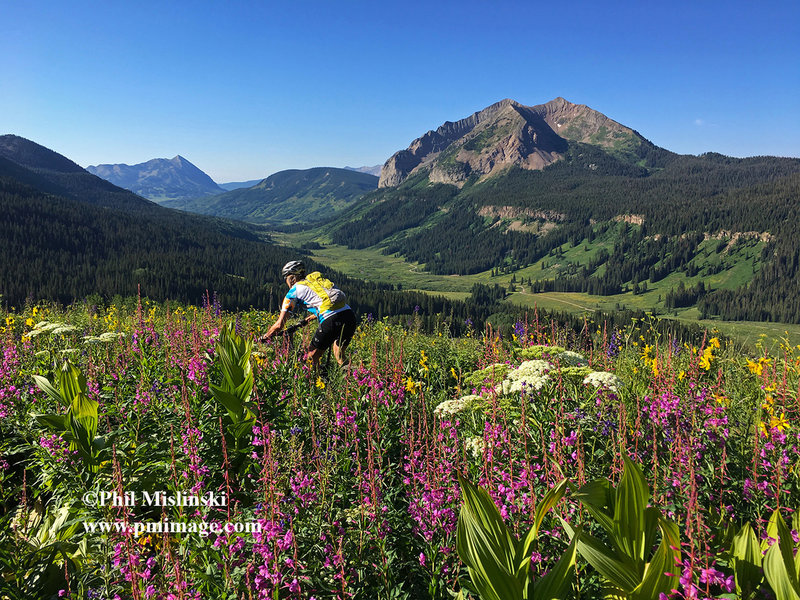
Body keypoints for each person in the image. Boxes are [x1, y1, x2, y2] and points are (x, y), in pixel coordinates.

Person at [262, 260, 357, 369]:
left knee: (312, 356)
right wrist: (307, 320)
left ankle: (317, 384)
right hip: (349, 315)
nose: (286, 281)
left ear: (292, 278)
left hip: (331, 320)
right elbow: (326, 305)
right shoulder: (315, 282)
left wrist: (265, 337)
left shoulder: (293, 292)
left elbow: (279, 325)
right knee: (339, 355)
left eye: (286, 278)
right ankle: (361, 379)